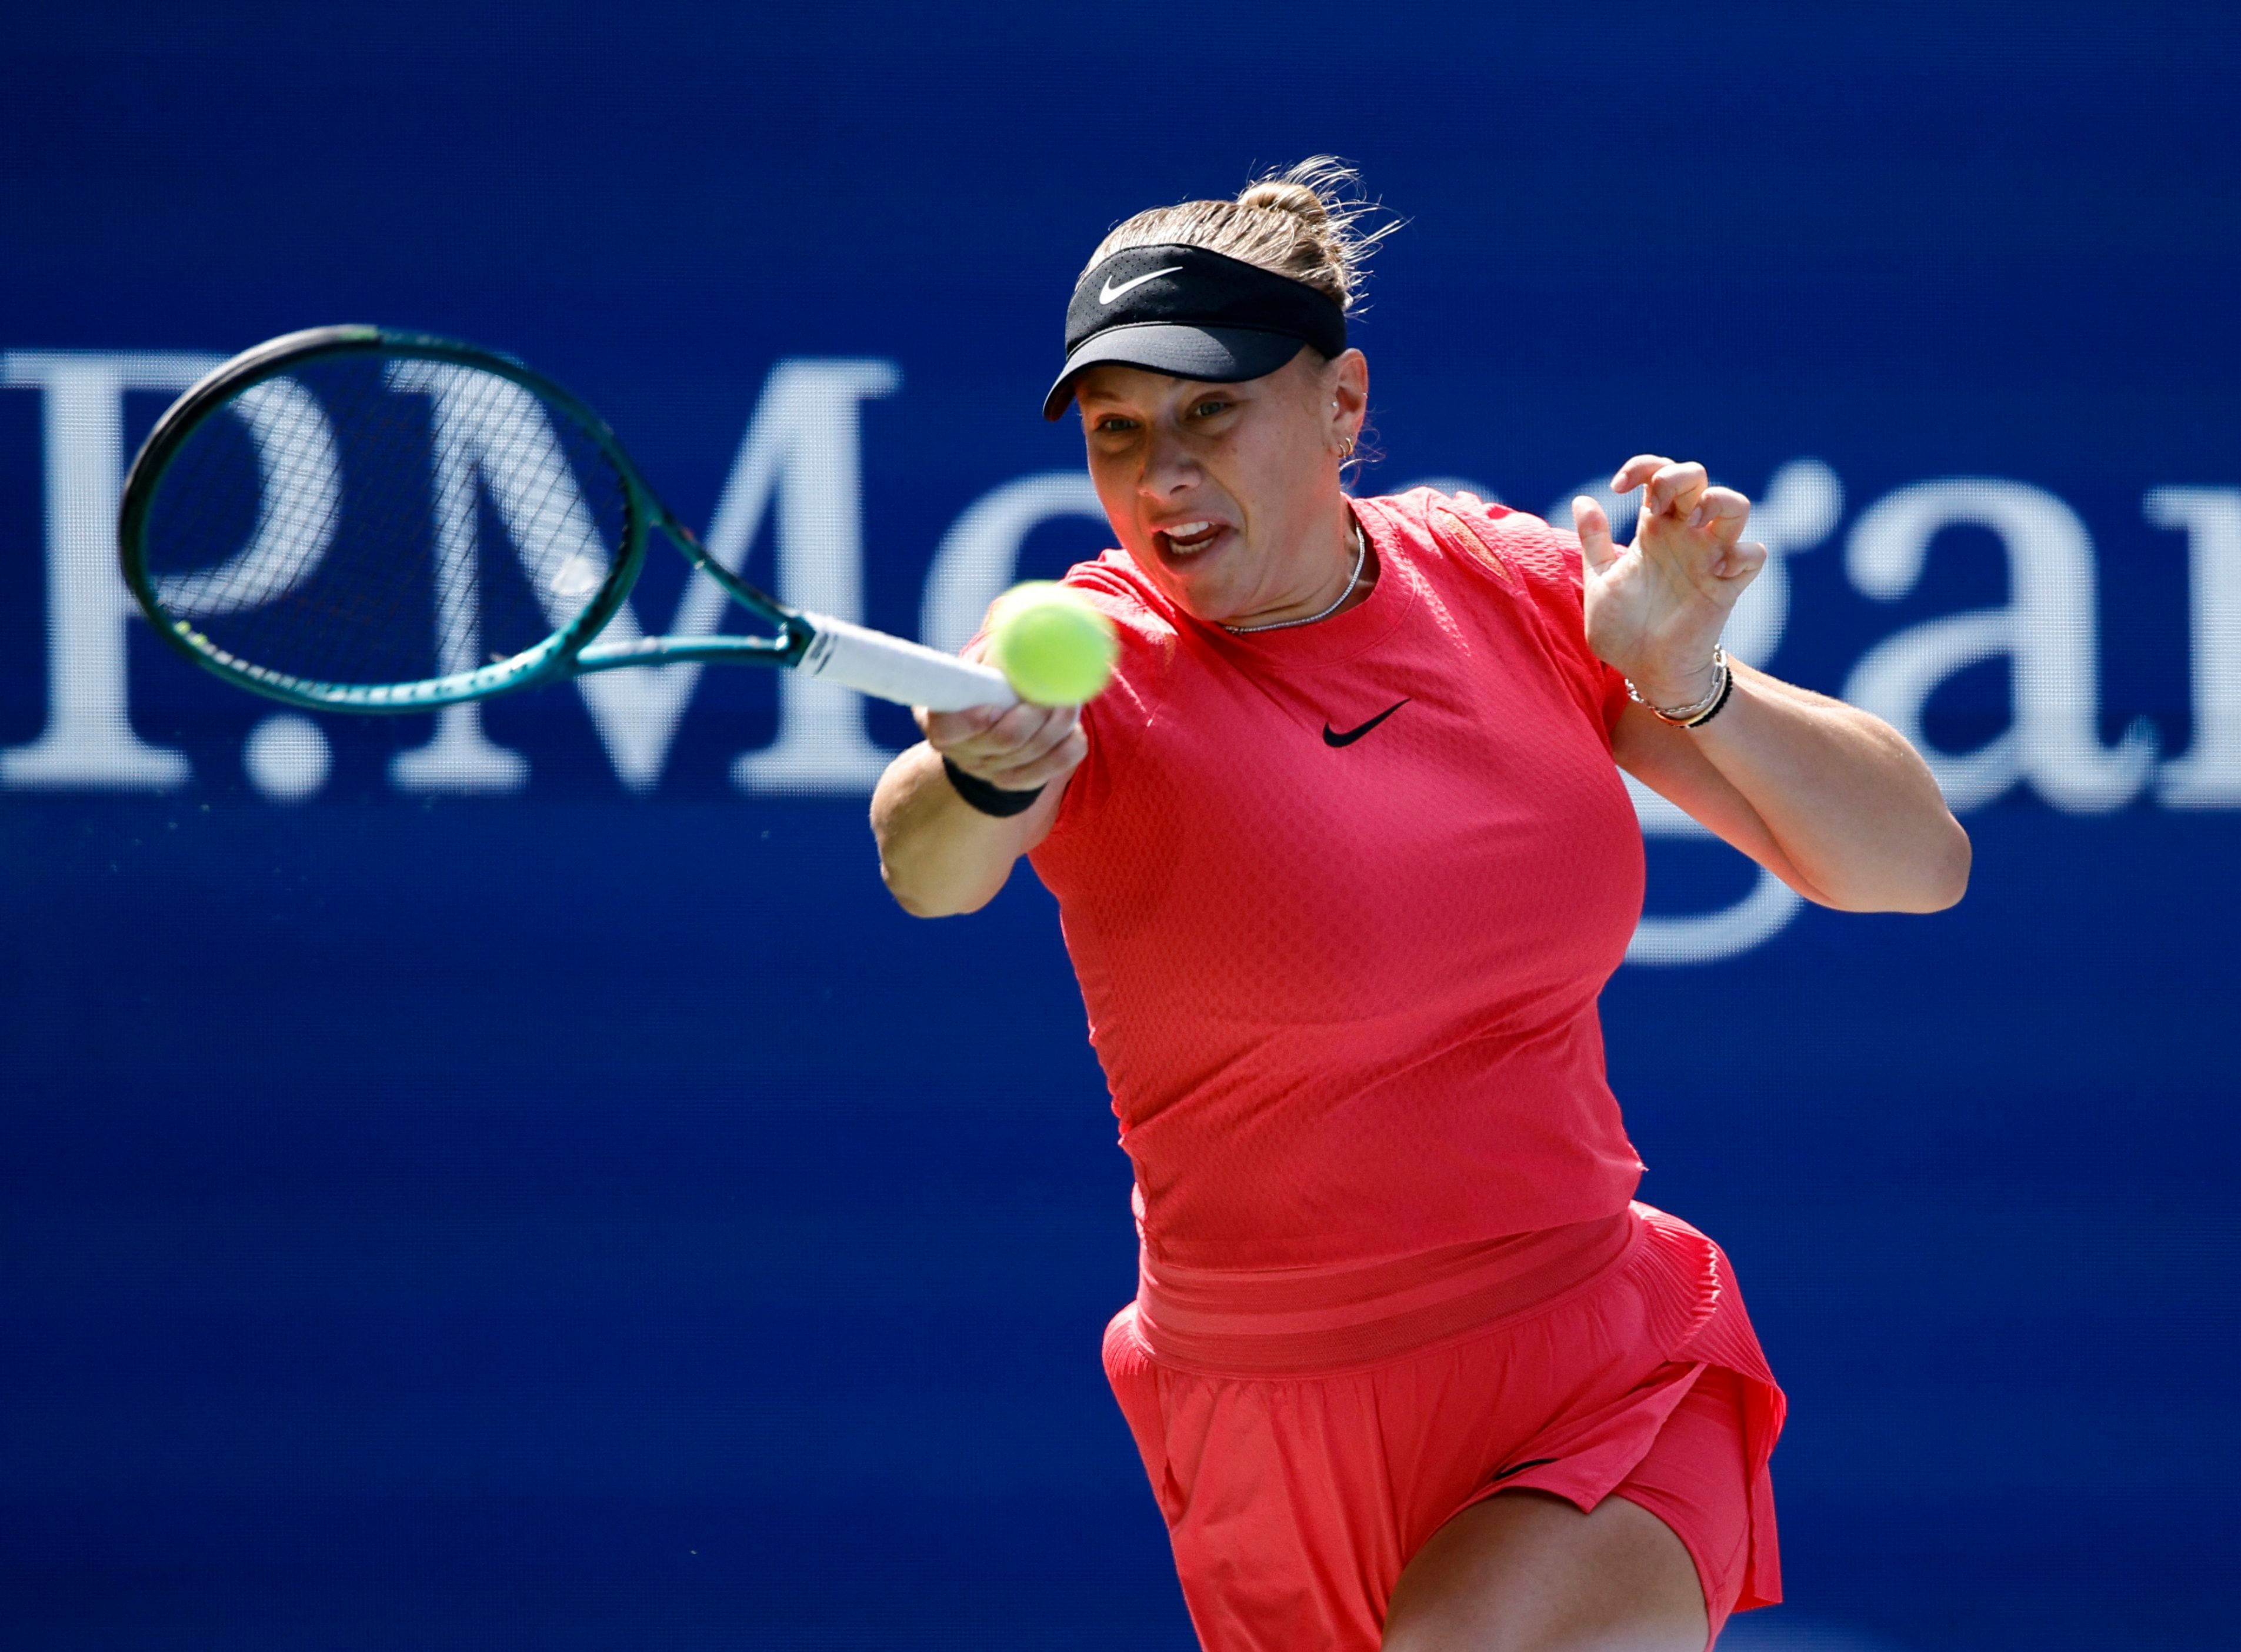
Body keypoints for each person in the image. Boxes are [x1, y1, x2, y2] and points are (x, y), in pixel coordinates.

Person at [869, 159, 1969, 1652]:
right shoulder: (1079, 657)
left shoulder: (1508, 586)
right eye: (1119, 433)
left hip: (1594, 1359)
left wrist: (1682, 679)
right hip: (1265, 1415)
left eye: (1210, 413)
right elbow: (924, 864)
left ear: (1340, 406)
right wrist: (986, 780)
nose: (1163, 478)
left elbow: (1915, 864)